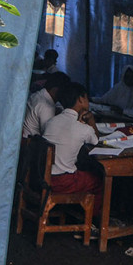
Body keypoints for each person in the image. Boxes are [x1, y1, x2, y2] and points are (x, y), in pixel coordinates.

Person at [42, 82, 102, 216]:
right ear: (80, 99)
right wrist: (91, 121)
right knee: (98, 181)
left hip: (43, 177)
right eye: (86, 98)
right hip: (62, 181)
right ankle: (92, 221)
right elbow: (96, 140)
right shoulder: (83, 129)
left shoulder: (51, 122)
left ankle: (76, 212)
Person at [22, 71, 69, 138]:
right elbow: (49, 134)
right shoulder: (46, 107)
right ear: (55, 89)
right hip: (30, 139)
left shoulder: (38, 94)